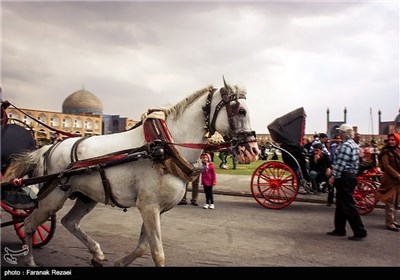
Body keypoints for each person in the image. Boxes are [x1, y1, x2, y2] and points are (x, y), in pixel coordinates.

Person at [327, 124, 367, 241]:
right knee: (341, 204)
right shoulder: (354, 144)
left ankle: (359, 231)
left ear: (344, 133)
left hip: (344, 176)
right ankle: (339, 228)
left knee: (348, 205)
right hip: (351, 176)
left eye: (341, 132)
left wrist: (333, 176)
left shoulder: (345, 146)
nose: (339, 134)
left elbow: (341, 164)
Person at [375, 133, 400, 232]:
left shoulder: (397, 151)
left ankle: (393, 221)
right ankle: (389, 223)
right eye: (390, 140)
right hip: (390, 180)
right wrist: (397, 175)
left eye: (393, 140)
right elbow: (387, 166)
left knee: (396, 203)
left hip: (397, 181)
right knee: (390, 202)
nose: (391, 141)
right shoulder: (386, 152)